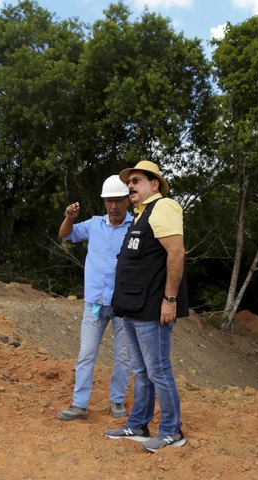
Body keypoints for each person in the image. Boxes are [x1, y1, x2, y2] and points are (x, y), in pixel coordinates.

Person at [104, 160, 189, 453]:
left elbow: (176, 253)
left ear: (154, 184)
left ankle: (171, 431)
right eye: (129, 182)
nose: (130, 186)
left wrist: (170, 300)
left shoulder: (163, 207)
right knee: (141, 371)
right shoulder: (140, 215)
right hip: (132, 307)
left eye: (137, 180)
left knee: (158, 370)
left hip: (152, 308)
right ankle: (139, 424)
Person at [56, 175, 133, 421]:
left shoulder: (136, 227)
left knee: (123, 357)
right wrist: (69, 217)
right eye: (109, 201)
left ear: (127, 200)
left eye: (118, 201)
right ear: (104, 202)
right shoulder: (94, 224)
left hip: (124, 303)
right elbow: (65, 234)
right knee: (86, 354)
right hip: (95, 302)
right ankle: (79, 405)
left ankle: (117, 400)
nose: (113, 206)